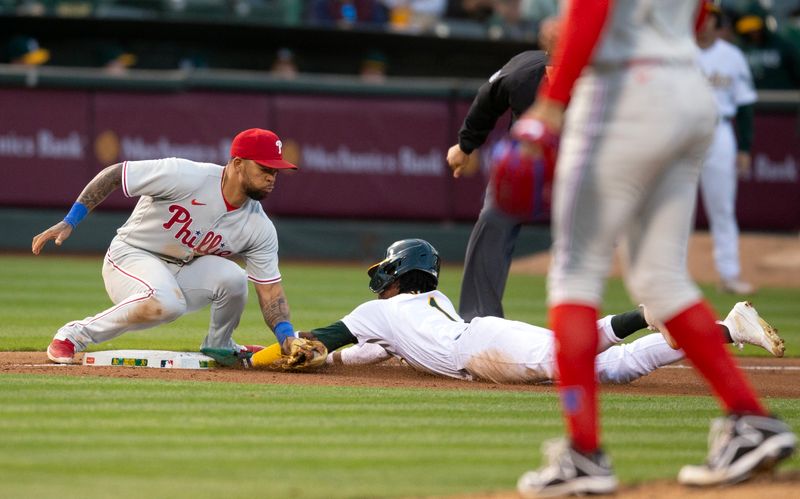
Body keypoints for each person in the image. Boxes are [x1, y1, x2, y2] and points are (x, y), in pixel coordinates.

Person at [503, 0, 796, 495]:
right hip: (688, 92)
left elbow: (593, 9)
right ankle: (751, 421)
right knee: (661, 279)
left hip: (620, 93)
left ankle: (584, 454)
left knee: (573, 274)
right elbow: (701, 17)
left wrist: (549, 103)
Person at [214, 239, 784, 385]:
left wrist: (255, 359)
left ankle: (643, 313)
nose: (379, 279)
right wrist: (322, 361)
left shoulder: (374, 310)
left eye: (386, 270)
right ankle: (725, 329)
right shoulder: (400, 314)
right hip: (481, 342)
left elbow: (316, 339)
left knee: (571, 358)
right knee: (610, 370)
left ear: (398, 273)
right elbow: (352, 355)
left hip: (479, 347)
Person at [31, 128, 301, 364]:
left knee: (234, 279)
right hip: (131, 256)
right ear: (238, 163)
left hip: (183, 269)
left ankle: (220, 346)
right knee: (167, 303)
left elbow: (271, 292)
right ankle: (73, 335)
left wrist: (288, 338)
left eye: (275, 171)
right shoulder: (186, 175)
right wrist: (70, 221)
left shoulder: (259, 226)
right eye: (265, 168)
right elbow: (115, 174)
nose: (272, 177)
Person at [446, 49, 548, 321]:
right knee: (494, 218)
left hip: (584, 161)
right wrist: (466, 144)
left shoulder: (605, 78)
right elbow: (487, 100)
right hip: (529, 159)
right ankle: (477, 318)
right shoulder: (524, 74)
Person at [696, 3, 758, 295]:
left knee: (722, 208)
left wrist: (744, 146)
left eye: (711, 18)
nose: (706, 23)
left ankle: (729, 275)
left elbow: (745, 104)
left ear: (716, 23)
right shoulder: (677, 52)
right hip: (680, 131)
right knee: (674, 209)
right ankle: (668, 280)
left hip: (719, 130)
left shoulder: (731, 56)